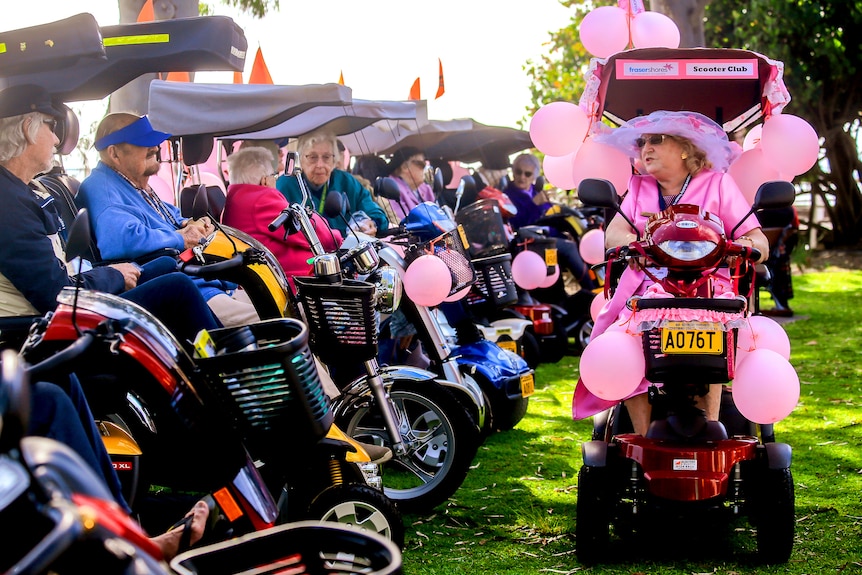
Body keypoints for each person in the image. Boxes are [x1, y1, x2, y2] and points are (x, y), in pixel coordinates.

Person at [0, 83, 209, 561]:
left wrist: (110, 275)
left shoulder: (20, 193)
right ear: (27, 129)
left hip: (38, 332)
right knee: (61, 389)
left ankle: (125, 524)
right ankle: (135, 526)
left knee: (64, 388)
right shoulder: (7, 201)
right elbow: (53, 290)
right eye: (52, 129)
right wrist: (113, 275)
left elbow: (60, 278)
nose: (58, 140)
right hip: (26, 337)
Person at [572, 110, 769, 436]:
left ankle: (712, 426)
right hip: (651, 286)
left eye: (656, 140)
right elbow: (614, 234)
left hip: (707, 286)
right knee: (625, 344)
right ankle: (641, 436)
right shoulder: (638, 187)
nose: (645, 148)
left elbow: (756, 238)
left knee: (717, 330)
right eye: (643, 141)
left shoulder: (718, 184)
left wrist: (742, 247)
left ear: (684, 148)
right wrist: (636, 243)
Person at [77, 112, 260, 328]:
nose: (155, 148)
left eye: (154, 143)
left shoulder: (130, 182)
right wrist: (179, 238)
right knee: (281, 320)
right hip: (186, 286)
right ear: (114, 153)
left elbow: (164, 212)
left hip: (200, 280)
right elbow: (120, 240)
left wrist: (187, 224)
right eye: (144, 144)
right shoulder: (104, 190)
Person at [222, 146, 342, 281]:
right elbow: (316, 234)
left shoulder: (238, 197)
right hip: (295, 280)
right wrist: (339, 238)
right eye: (274, 175)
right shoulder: (261, 199)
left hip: (273, 274)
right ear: (265, 180)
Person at [503, 152, 596, 290]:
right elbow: (518, 223)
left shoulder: (536, 191)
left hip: (545, 236)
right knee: (569, 247)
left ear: (534, 176)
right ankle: (591, 289)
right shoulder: (508, 195)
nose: (522, 177)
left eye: (527, 174)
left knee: (576, 238)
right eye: (518, 171)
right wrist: (533, 204)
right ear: (513, 171)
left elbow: (548, 216)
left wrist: (562, 232)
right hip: (528, 241)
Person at [275, 130, 388, 236]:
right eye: (313, 157)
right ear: (300, 160)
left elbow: (375, 212)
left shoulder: (346, 181)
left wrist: (371, 222)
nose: (320, 165)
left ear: (334, 160)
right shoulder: (285, 185)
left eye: (326, 157)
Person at [384, 146, 436, 222]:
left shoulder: (425, 188)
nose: (425, 168)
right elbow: (403, 224)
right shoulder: (391, 189)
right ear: (405, 167)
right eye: (421, 164)